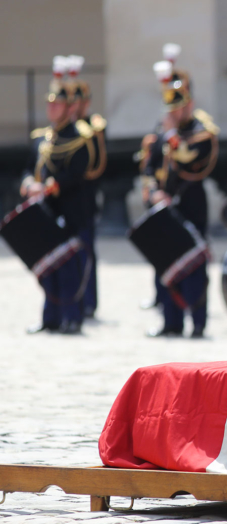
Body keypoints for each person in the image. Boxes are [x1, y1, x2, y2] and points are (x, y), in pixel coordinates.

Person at [141, 45, 219, 338]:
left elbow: (193, 163)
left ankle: (197, 322)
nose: (175, 111)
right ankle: (170, 321)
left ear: (190, 102)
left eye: (180, 105)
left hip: (190, 205)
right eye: (171, 106)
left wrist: (173, 137)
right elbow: (149, 167)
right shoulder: (161, 132)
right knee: (165, 263)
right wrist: (152, 192)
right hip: (164, 208)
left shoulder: (201, 131)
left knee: (193, 266)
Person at [20, 55, 92, 335]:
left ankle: (72, 318)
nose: (52, 109)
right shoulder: (42, 138)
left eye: (57, 104)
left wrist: (46, 186)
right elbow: (28, 168)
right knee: (47, 268)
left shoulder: (79, 138)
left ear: (69, 107)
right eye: (50, 104)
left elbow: (75, 175)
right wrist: (28, 184)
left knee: (69, 269)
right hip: (45, 213)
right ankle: (50, 317)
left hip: (70, 212)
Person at [69, 55, 107, 320]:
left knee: (87, 251)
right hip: (65, 200)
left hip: (85, 197)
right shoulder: (64, 130)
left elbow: (95, 164)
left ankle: (89, 302)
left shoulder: (91, 127)